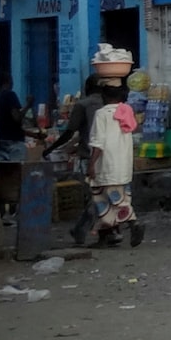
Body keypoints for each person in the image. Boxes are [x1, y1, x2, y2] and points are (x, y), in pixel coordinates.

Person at [47, 76, 105, 245]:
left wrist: (52, 148)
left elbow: (70, 131)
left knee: (93, 197)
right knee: (102, 196)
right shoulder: (109, 106)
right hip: (107, 157)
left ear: (87, 87)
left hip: (88, 156)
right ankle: (96, 231)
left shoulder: (83, 105)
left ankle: (82, 229)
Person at [87, 80, 144, 248]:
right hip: (123, 166)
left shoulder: (102, 114)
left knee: (106, 200)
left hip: (106, 166)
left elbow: (98, 143)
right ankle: (105, 237)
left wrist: (91, 164)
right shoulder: (126, 111)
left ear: (104, 96)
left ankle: (133, 223)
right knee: (119, 199)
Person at [0, 72, 31, 164]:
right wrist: (28, 105)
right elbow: (17, 117)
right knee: (16, 170)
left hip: (0, 140)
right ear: (9, 82)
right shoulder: (10, 95)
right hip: (13, 142)